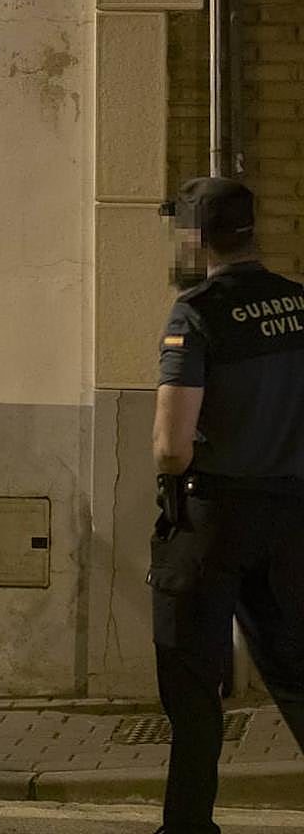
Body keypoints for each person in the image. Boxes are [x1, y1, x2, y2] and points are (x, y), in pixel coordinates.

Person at [150, 177, 304, 834]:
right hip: (292, 519)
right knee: (295, 672)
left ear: (193, 237)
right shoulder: (300, 304)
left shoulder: (198, 313)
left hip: (214, 523)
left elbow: (171, 449)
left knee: (192, 682)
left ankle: (189, 828)